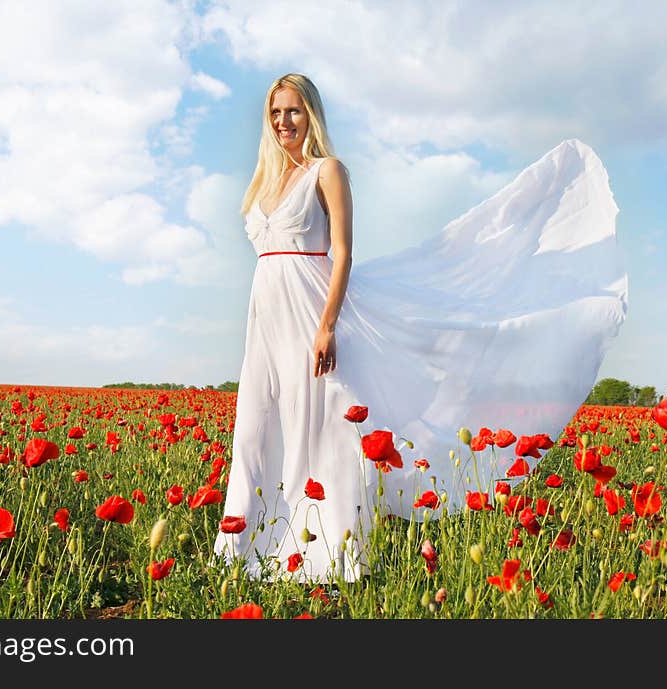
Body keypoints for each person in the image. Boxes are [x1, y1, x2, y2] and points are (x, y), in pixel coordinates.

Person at [213, 73, 628, 584]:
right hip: (266, 321)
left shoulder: (327, 171)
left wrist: (327, 326)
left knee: (320, 428)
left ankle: (328, 556)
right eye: (276, 113)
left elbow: (341, 254)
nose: (283, 122)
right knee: (257, 428)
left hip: (310, 312)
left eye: (293, 111)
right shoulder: (264, 182)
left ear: (311, 115)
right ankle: (245, 550)